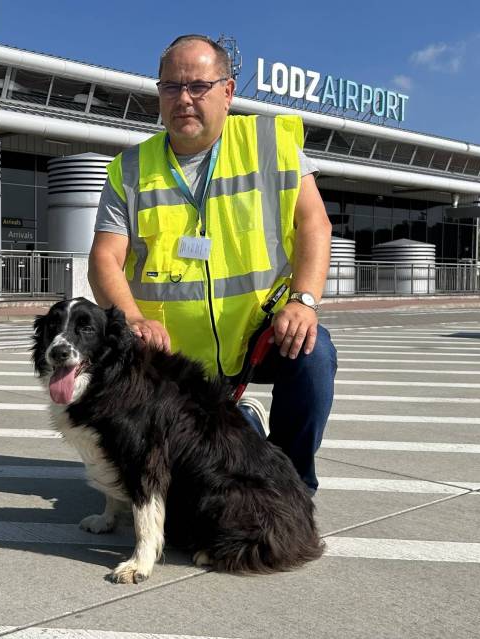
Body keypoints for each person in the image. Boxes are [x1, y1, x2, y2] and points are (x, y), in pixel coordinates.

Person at [88, 34, 337, 493]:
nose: (183, 98)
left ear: (228, 91)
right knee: (189, 492)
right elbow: (105, 255)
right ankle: (241, 423)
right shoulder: (130, 168)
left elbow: (314, 224)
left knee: (313, 351)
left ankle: (292, 482)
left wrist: (304, 301)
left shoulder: (270, 144)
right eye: (171, 86)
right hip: (172, 353)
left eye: (198, 86)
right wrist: (133, 318)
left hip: (257, 333)